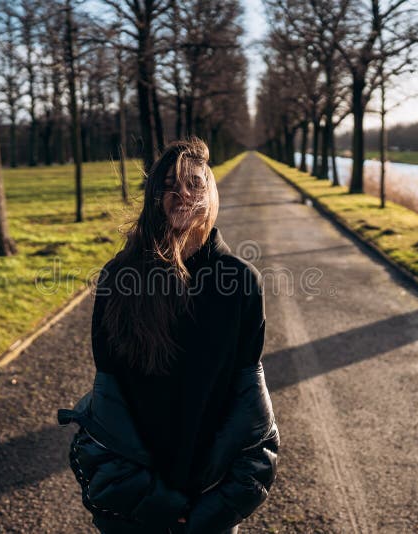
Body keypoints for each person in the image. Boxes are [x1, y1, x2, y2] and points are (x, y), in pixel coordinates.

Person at [57, 137, 279, 534]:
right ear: (154, 199)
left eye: (194, 183)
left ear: (211, 192)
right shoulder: (119, 279)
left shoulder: (242, 282)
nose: (182, 195)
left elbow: (250, 408)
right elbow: (109, 402)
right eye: (169, 187)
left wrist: (216, 503)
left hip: (209, 495)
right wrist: (152, 500)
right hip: (133, 498)